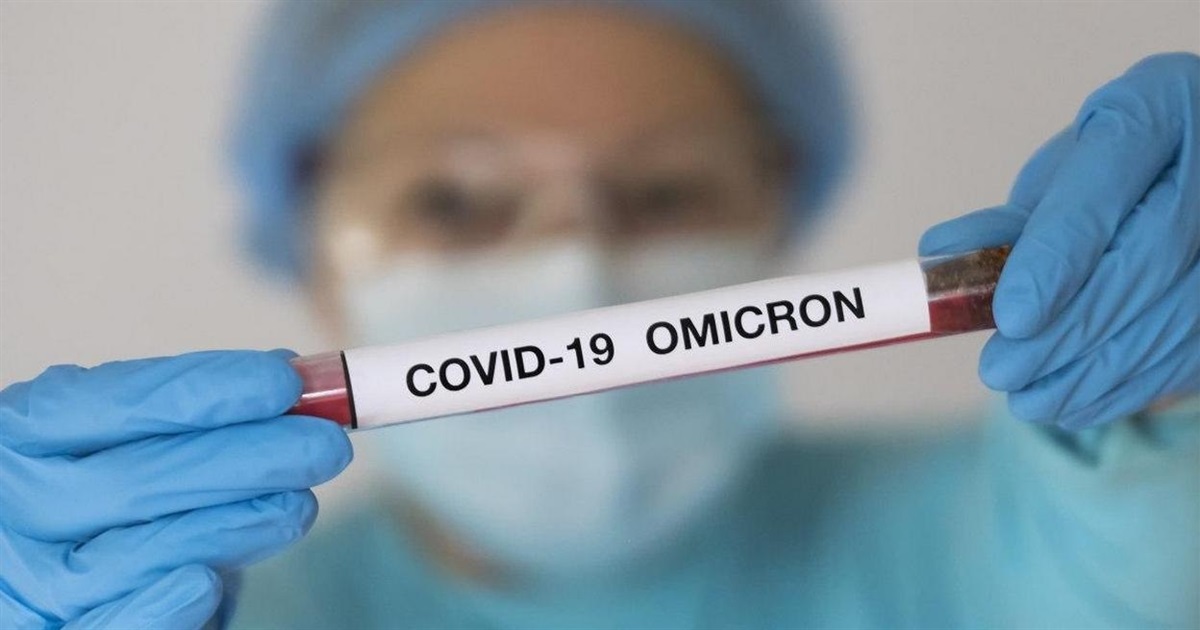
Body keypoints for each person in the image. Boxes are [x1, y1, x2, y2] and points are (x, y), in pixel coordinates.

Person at [1, 1, 1196, 628]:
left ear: (776, 217)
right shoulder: (199, 613)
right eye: (456, 201)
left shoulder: (1027, 530)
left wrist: (1177, 397)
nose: (574, 269)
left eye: (666, 193)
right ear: (312, 248)